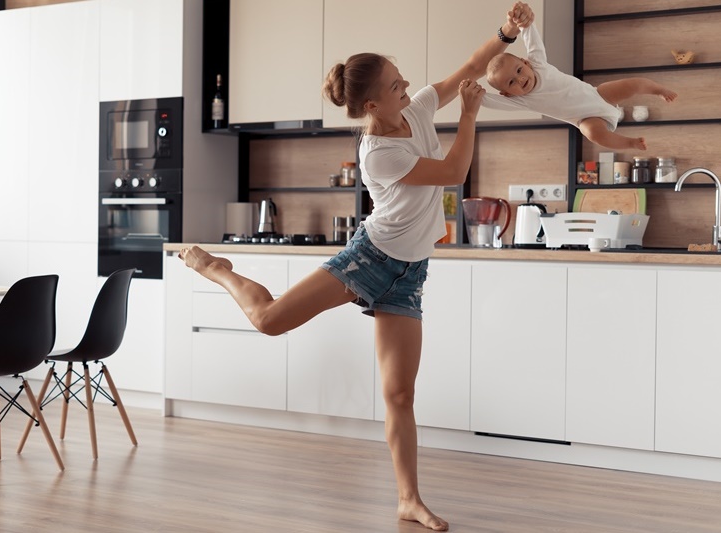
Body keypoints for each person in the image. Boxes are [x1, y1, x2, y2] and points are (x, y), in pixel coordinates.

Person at [178, 3, 534, 530]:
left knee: (399, 393)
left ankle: (408, 499)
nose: (406, 85)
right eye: (396, 84)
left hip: (409, 273)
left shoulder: (412, 110)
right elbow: (455, 171)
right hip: (369, 259)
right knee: (269, 320)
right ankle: (217, 269)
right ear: (372, 103)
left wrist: (507, 32)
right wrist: (468, 115)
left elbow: (467, 66)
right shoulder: (377, 152)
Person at [482, 22, 677, 151]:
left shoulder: (538, 64)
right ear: (507, 94)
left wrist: (521, 22)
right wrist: (469, 91)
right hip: (587, 119)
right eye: (511, 83)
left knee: (633, 85)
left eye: (518, 71)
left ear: (526, 63)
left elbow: (532, 39)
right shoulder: (523, 101)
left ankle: (659, 90)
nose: (520, 79)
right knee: (592, 133)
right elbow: (488, 101)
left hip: (598, 95)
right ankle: (630, 142)